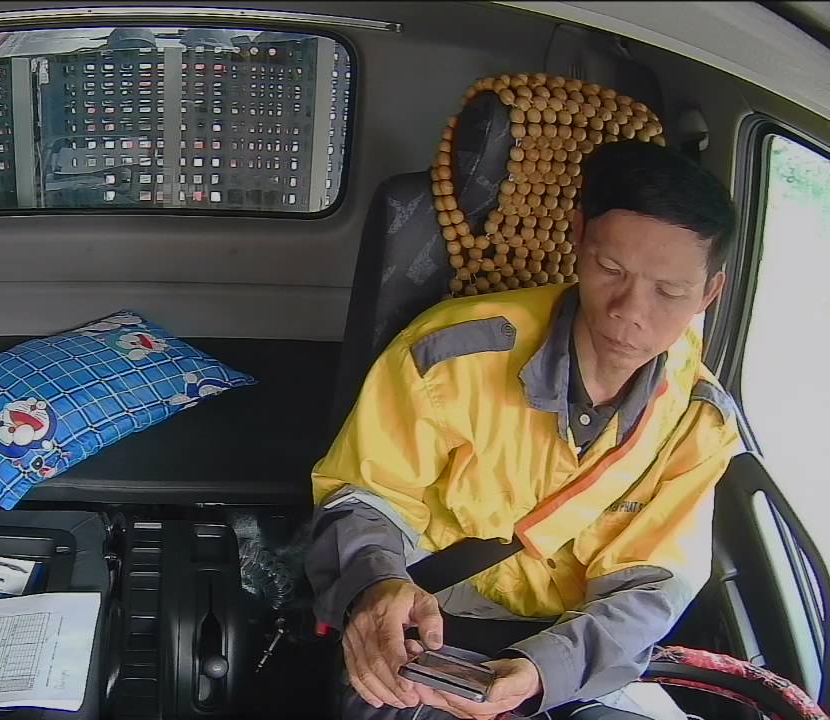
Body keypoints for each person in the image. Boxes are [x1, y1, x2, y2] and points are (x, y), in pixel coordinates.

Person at [306, 139, 742, 720]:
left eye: (669, 292)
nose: (630, 312)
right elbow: (366, 497)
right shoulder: (449, 355)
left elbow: (651, 588)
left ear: (710, 293)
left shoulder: (698, 421)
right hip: (426, 630)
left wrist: (543, 671)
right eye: (611, 270)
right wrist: (375, 586)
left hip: (577, 656)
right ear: (579, 237)